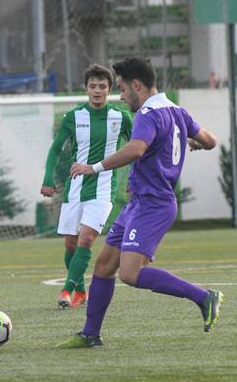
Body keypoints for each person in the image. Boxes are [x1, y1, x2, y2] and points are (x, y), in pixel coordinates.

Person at [57, 57, 222, 348]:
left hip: (153, 204)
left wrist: (93, 167)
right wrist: (191, 142)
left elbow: (135, 149)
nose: (121, 96)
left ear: (136, 85)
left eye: (121, 89)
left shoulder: (147, 113)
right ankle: (89, 334)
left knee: (131, 273)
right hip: (139, 204)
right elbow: (211, 140)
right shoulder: (176, 110)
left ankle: (204, 297)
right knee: (105, 265)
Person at [41, 64, 132, 309]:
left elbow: (138, 149)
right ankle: (80, 291)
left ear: (110, 89)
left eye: (102, 86)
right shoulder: (73, 117)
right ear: (86, 89)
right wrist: (48, 179)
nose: (97, 90)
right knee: (70, 244)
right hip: (75, 189)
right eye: (93, 86)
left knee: (86, 239)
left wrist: (134, 180)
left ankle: (66, 291)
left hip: (103, 189)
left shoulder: (121, 117)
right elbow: (55, 149)